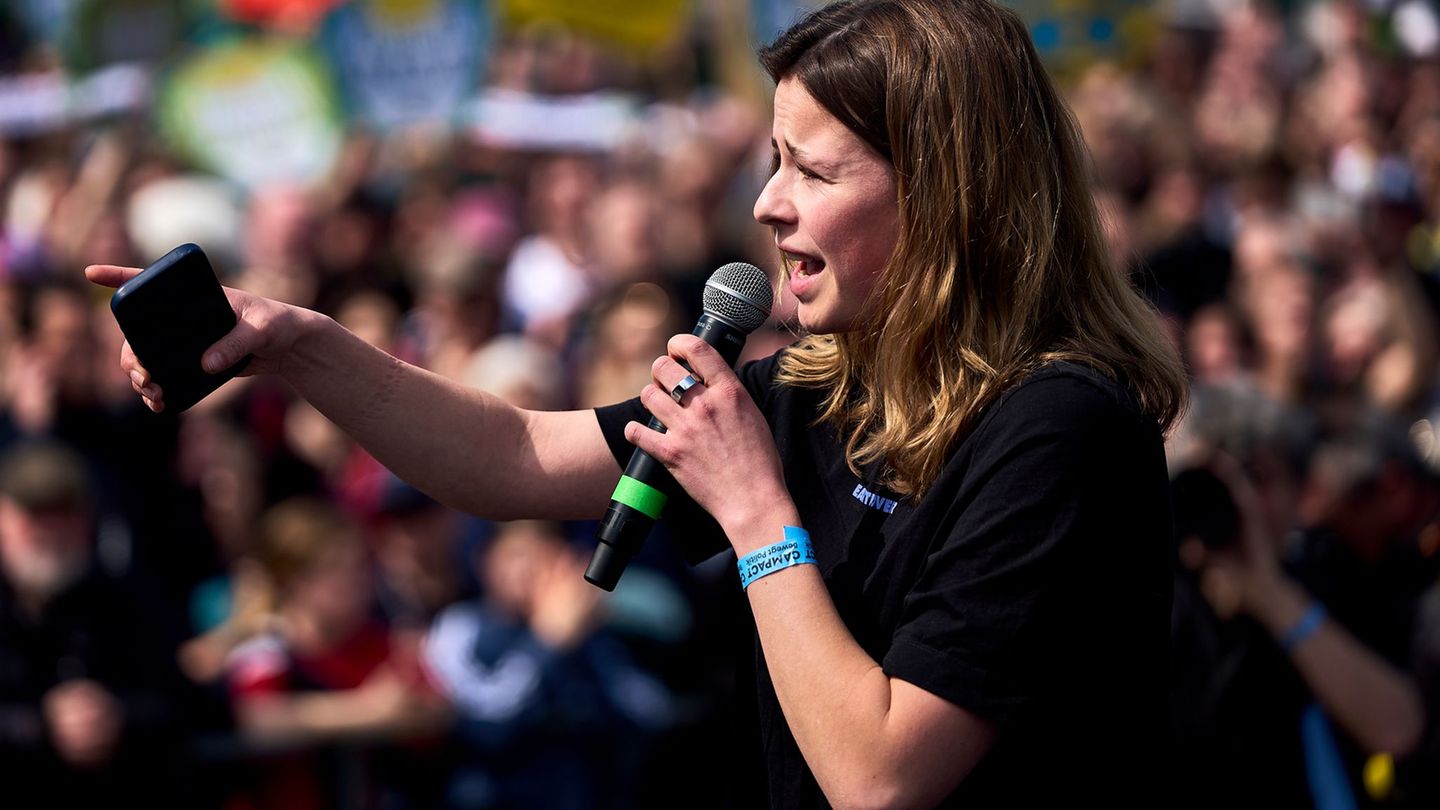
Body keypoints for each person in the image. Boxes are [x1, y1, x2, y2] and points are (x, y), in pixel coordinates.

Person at [86, 0, 1185, 805]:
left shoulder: (1060, 429)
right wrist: (298, 346)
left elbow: (881, 778)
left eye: (812, 171)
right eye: (771, 163)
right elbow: (513, 454)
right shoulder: (827, 391)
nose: (766, 206)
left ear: (945, 193)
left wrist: (757, 513)